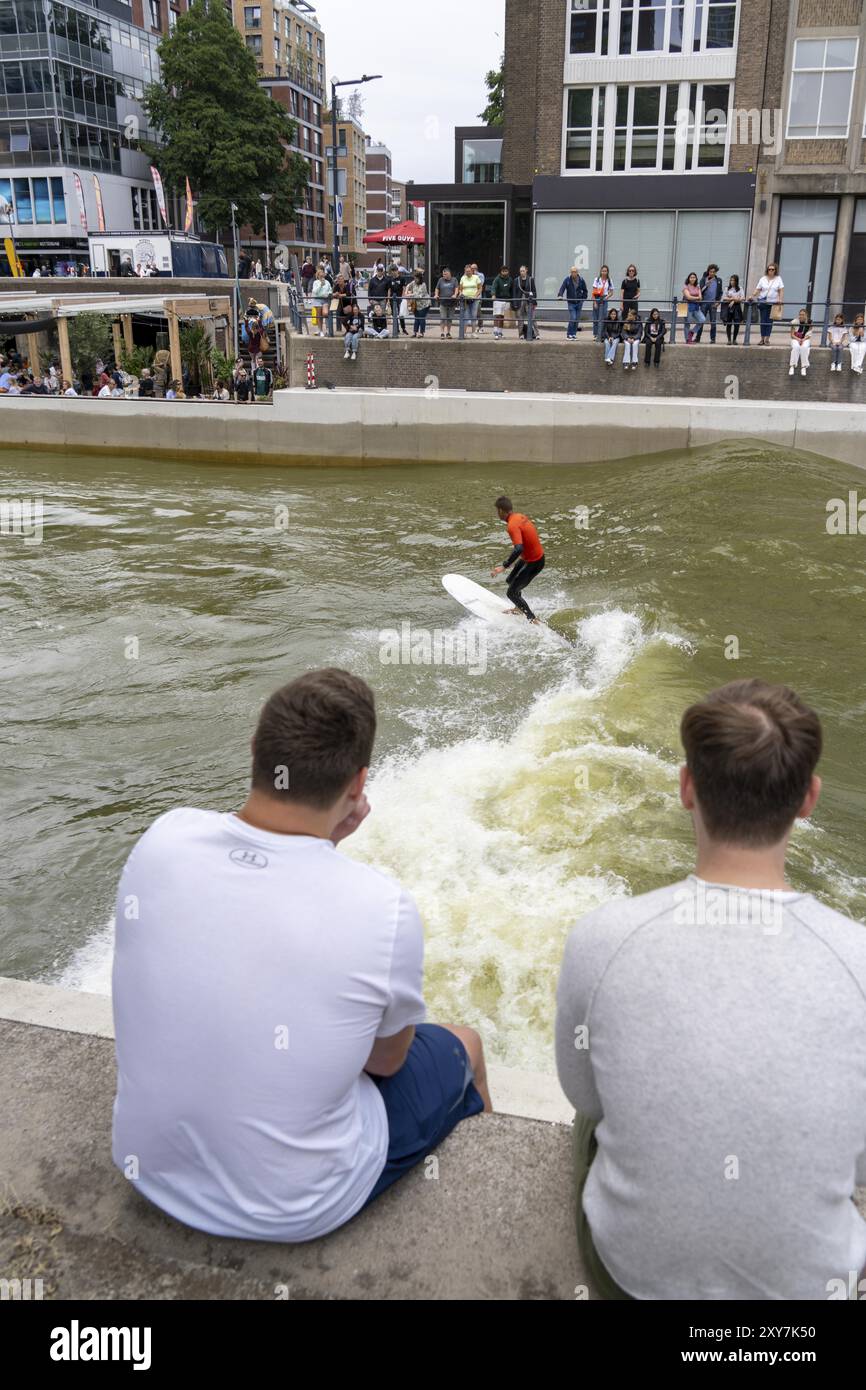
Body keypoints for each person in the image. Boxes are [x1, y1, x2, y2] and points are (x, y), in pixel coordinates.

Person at [111, 669, 490, 1243]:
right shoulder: (384, 909)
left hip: (146, 1168)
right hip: (294, 1209)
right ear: (359, 784)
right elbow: (386, 1063)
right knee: (464, 1044)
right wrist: (329, 846)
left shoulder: (163, 837)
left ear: (254, 751)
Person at [556, 678, 866, 1301]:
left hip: (632, 1278)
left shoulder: (602, 937)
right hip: (807, 1293)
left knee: (589, 1120)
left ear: (686, 787)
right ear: (809, 798)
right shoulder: (857, 959)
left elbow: (582, 1090)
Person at [489, 494, 545, 623]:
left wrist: (503, 566)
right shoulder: (519, 516)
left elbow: (518, 548)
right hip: (530, 558)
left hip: (534, 562)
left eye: (497, 511)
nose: (497, 514)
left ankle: (532, 618)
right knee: (511, 580)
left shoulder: (512, 525)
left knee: (511, 593)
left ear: (501, 511)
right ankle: (518, 608)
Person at [750, 262, 784, 344]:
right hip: (763, 302)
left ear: (775, 270)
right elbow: (758, 289)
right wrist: (752, 296)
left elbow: (781, 290)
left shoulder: (778, 279)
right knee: (763, 321)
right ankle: (762, 339)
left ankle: (767, 339)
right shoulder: (763, 279)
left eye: (773, 269)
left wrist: (780, 299)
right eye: (769, 269)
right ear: (767, 270)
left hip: (773, 303)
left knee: (769, 322)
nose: (771, 271)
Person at [558, 266, 588, 339]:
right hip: (571, 302)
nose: (573, 273)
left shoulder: (581, 280)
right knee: (573, 318)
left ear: (577, 272)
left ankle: (574, 334)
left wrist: (583, 299)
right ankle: (569, 334)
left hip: (579, 302)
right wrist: (560, 295)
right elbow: (562, 287)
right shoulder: (567, 279)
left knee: (577, 319)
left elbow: (585, 290)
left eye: (574, 272)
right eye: (572, 272)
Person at [695, 263, 722, 342]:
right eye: (710, 271)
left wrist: (718, 302)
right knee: (701, 320)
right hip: (704, 303)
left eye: (713, 272)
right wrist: (706, 285)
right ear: (708, 271)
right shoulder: (703, 279)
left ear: (716, 272)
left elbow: (720, 292)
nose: (712, 273)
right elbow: (699, 291)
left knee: (713, 322)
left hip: (713, 304)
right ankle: (698, 338)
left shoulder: (718, 280)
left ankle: (713, 339)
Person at [513, 266, 538, 341]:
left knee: (532, 317)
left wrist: (534, 301)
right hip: (520, 300)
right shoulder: (516, 280)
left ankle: (536, 334)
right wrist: (515, 303)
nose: (522, 272)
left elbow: (534, 291)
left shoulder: (531, 279)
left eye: (523, 271)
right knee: (520, 318)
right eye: (521, 271)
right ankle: (521, 334)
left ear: (526, 271)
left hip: (529, 300)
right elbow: (514, 292)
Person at [458, 263, 483, 336]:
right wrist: (460, 293)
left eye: (469, 271)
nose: (468, 272)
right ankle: (464, 333)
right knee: (466, 315)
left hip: (474, 300)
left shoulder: (476, 277)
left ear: (472, 271)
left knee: (474, 315)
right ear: (465, 271)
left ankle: (473, 332)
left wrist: (475, 296)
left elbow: (480, 288)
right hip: (465, 300)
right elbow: (460, 289)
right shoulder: (463, 278)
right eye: (466, 271)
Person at [490, 266, 514, 340]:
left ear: (508, 272)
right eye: (503, 271)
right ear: (501, 272)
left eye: (506, 271)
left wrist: (512, 299)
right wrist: (493, 295)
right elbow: (493, 287)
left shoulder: (510, 279)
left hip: (506, 300)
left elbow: (512, 290)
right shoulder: (497, 279)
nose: (505, 272)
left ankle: (500, 332)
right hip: (498, 300)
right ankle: (495, 332)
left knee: (502, 317)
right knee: (497, 316)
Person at [434, 267, 457, 339]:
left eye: (445, 274)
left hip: (452, 303)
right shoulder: (440, 280)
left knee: (449, 319)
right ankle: (442, 333)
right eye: (443, 274)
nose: (444, 276)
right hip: (443, 302)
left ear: (449, 273)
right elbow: (437, 288)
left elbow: (456, 288)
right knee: (443, 318)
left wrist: (455, 295)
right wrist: (436, 294)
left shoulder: (454, 279)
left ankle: (448, 333)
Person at [591, 266, 612, 341]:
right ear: (600, 271)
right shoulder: (596, 280)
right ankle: (596, 334)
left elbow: (611, 292)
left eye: (605, 271)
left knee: (603, 317)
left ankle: (602, 334)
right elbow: (593, 292)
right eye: (603, 271)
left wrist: (607, 297)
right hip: (597, 298)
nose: (604, 272)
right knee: (596, 317)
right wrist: (594, 302)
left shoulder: (609, 280)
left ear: (607, 272)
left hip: (604, 299)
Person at [788, 309, 812, 377]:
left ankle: (803, 367)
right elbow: (792, 335)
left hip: (805, 339)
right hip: (795, 338)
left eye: (803, 315)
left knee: (804, 347)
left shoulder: (809, 322)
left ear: (806, 315)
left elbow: (809, 335)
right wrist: (799, 339)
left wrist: (803, 340)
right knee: (796, 347)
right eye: (800, 314)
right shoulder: (795, 321)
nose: (801, 316)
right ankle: (792, 366)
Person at [385, 265, 408, 336]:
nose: (393, 273)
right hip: (392, 299)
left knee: (401, 314)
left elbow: (404, 288)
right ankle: (396, 329)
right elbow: (389, 290)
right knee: (394, 315)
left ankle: (403, 328)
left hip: (399, 299)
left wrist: (403, 298)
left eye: (394, 271)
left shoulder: (402, 279)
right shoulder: (390, 279)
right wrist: (388, 300)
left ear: (397, 270)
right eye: (392, 272)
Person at [721, 275, 744, 343]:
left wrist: (733, 301)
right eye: (731, 280)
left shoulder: (740, 288)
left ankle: (734, 339)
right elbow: (724, 298)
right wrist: (733, 299)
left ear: (736, 281)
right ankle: (729, 340)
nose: (732, 282)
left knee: (737, 324)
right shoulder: (727, 288)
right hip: (729, 307)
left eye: (733, 280)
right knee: (729, 324)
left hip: (737, 307)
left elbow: (743, 298)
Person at [682, 272, 705, 342]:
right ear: (689, 278)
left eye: (694, 277)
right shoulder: (685, 286)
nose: (692, 279)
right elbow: (688, 297)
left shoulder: (697, 286)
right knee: (687, 323)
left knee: (702, 319)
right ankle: (687, 339)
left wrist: (695, 297)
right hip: (686, 306)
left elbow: (701, 298)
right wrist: (697, 297)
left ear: (696, 278)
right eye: (691, 277)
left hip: (696, 306)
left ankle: (692, 332)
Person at [310, 269, 332, 337]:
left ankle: (328, 329)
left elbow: (330, 290)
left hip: (325, 300)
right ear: (318, 275)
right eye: (320, 274)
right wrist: (320, 285)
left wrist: (328, 294)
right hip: (317, 299)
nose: (322, 275)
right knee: (319, 315)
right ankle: (320, 330)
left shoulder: (327, 282)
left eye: (323, 273)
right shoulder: (315, 282)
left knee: (325, 313)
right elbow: (315, 291)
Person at [409, 271, 431, 337]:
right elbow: (408, 286)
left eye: (416, 278)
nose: (415, 280)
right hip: (416, 304)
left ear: (420, 278)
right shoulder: (413, 282)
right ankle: (415, 332)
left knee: (421, 318)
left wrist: (410, 294)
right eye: (414, 278)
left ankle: (421, 333)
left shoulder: (423, 285)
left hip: (424, 304)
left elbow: (419, 295)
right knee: (416, 318)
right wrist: (407, 290)